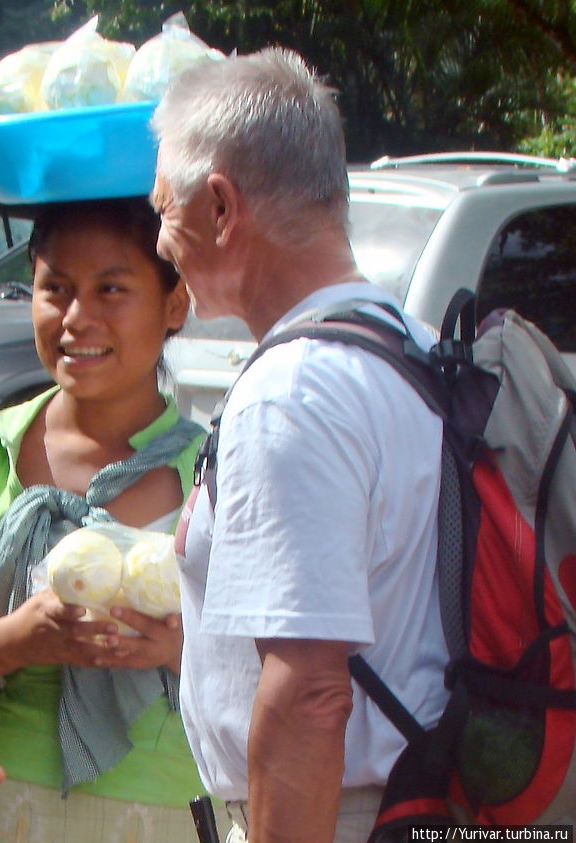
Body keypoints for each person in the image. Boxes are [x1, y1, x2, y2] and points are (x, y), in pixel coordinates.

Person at [151, 48, 449, 842]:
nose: (159, 241)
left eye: (161, 209)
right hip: (425, 797)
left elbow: (311, 692)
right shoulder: (409, 346)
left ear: (219, 206)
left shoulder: (292, 395)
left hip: (340, 818)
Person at [0, 197, 230, 842]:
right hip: (1, 812)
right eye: (55, 288)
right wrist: (20, 639)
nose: (77, 318)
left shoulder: (219, 468)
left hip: (168, 814)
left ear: (175, 305)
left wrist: (180, 649)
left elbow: (283, 670)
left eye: (112, 289)